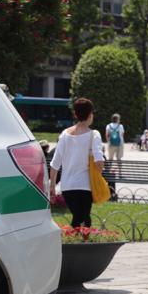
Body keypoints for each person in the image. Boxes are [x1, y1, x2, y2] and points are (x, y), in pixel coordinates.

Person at [48, 97, 104, 228]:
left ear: (75, 114)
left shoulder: (64, 134)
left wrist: (52, 186)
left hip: (67, 186)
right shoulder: (94, 134)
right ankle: (77, 239)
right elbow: (99, 161)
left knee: (78, 218)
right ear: (90, 115)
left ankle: (73, 237)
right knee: (84, 219)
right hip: (85, 186)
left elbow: (55, 163)